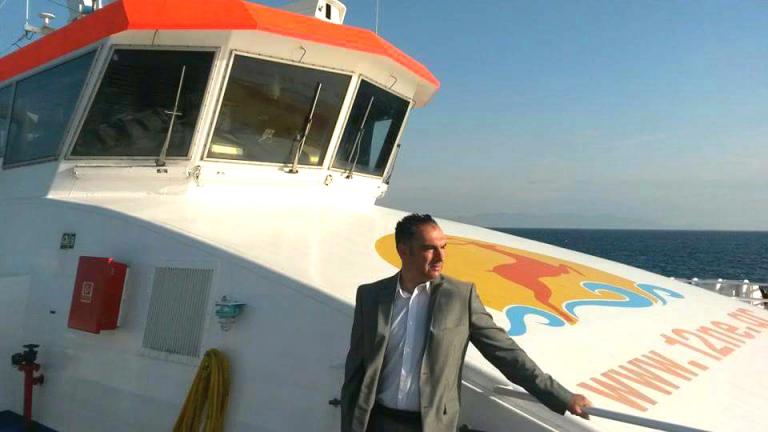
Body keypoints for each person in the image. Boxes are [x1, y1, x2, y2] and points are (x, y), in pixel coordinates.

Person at [340, 214, 591, 432]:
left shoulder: (460, 297)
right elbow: (356, 368)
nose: (441, 256)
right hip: (377, 422)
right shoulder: (371, 296)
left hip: (430, 426)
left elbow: (506, 353)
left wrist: (562, 397)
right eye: (430, 249)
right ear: (404, 251)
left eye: (444, 247)